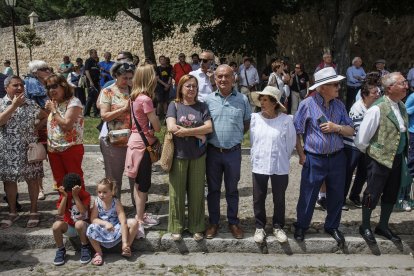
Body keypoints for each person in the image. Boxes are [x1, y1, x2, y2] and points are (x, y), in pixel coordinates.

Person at [294, 67, 354, 248]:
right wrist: (301, 154)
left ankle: (332, 226)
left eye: (338, 84)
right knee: (308, 194)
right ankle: (301, 226)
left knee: (336, 195)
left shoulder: (340, 105)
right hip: (314, 158)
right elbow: (296, 131)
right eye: (335, 84)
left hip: (337, 158)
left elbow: (351, 131)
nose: (338, 87)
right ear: (322, 87)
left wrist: (337, 127)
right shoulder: (307, 104)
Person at [355, 72, 409, 244]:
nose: (406, 86)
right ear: (390, 88)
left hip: (397, 159)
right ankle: (365, 226)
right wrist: (374, 153)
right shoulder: (377, 109)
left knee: (391, 193)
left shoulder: (401, 106)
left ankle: (383, 225)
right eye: (403, 83)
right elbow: (361, 139)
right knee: (372, 193)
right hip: (378, 160)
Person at [204, 65, 251, 239]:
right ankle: (214, 223)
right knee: (214, 190)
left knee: (232, 189)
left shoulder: (242, 100)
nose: (223, 80)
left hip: (233, 152)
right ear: (214, 79)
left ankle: (233, 222)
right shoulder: (208, 100)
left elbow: (246, 123)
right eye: (219, 77)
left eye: (227, 76)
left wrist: (234, 137)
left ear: (234, 78)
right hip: (213, 152)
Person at [166, 74, 213, 241]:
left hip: (198, 156)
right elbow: (172, 127)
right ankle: (176, 227)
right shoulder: (174, 105)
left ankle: (196, 227)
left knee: (197, 193)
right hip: (179, 155)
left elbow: (208, 127)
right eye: (188, 86)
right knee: (176, 193)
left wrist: (187, 132)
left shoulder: (202, 106)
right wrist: (197, 133)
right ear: (181, 88)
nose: (191, 89)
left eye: (194, 86)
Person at [250, 86, 296, 244]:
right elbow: (253, 141)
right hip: (259, 163)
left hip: (279, 164)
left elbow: (290, 144)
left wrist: (281, 156)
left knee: (279, 198)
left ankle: (277, 226)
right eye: (261, 99)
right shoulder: (255, 118)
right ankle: (259, 226)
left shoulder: (286, 120)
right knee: (258, 197)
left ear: (274, 103)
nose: (262, 102)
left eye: (265, 100)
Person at [0, 75, 47, 229]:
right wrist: (13, 106)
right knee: (9, 181)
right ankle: (12, 212)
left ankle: (34, 211)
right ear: (6, 88)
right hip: (8, 150)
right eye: (15, 85)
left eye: (21, 85)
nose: (20, 88)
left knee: (32, 179)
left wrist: (36, 128)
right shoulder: (1, 103)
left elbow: (45, 116)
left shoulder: (30, 103)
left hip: (29, 150)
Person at [125, 64, 161, 239]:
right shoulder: (146, 99)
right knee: (144, 184)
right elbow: (157, 125)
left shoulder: (133, 97)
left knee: (138, 183)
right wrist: (155, 127)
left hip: (134, 143)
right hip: (143, 145)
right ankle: (139, 219)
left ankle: (139, 215)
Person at [99, 62, 136, 201]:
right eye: (124, 78)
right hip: (114, 141)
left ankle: (137, 205)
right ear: (116, 76)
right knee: (114, 177)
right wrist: (123, 109)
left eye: (130, 78)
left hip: (134, 140)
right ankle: (114, 207)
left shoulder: (134, 90)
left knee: (135, 175)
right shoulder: (107, 91)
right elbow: (104, 116)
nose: (127, 81)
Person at [343, 78, 380, 211]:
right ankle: (342, 198)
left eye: (378, 92)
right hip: (352, 145)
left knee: (363, 173)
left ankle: (354, 195)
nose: (377, 94)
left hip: (366, 146)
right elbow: (358, 129)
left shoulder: (376, 106)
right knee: (348, 172)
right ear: (364, 95)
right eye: (374, 92)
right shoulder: (357, 107)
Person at [44, 74, 85, 189]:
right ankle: (64, 206)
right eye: (48, 87)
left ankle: (79, 205)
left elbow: (66, 125)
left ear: (63, 86)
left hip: (70, 148)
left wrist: (52, 110)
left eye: (54, 86)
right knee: (59, 182)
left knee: (74, 180)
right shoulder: (55, 102)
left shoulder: (73, 102)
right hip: (53, 149)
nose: (51, 90)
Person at [86, 178, 139, 265]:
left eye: (104, 192)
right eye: (99, 192)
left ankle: (126, 248)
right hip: (103, 230)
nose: (101, 195)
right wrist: (105, 223)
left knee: (134, 222)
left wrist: (125, 242)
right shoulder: (97, 202)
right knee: (91, 228)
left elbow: (123, 222)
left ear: (112, 192)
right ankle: (99, 253)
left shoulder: (116, 202)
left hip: (115, 229)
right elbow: (93, 219)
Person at [24, 60, 52, 200]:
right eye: (44, 69)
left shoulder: (49, 82)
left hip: (50, 121)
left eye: (48, 68)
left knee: (54, 154)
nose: (48, 70)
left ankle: (57, 184)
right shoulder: (32, 83)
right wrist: (47, 115)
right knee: (38, 156)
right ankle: (40, 188)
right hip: (41, 121)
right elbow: (37, 105)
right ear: (35, 72)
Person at [52, 173, 91, 266]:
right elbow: (60, 213)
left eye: (71, 191)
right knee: (56, 225)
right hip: (70, 227)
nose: (69, 193)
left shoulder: (85, 195)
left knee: (79, 224)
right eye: (68, 191)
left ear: (79, 188)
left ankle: (85, 247)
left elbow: (82, 211)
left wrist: (75, 196)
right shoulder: (64, 195)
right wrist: (64, 197)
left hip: (83, 227)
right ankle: (61, 249)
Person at [84, 49, 100, 117]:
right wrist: (90, 81)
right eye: (95, 52)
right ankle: (86, 113)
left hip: (96, 82)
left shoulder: (95, 62)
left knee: (96, 97)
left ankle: (96, 113)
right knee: (90, 97)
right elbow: (87, 71)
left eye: (96, 52)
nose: (96, 53)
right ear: (91, 54)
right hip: (91, 82)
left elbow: (96, 72)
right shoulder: (88, 61)